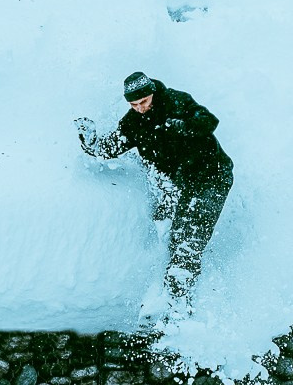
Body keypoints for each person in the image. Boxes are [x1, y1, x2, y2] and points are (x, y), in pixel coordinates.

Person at [78, 71, 234, 308]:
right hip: (183, 186)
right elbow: (111, 146)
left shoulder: (176, 102)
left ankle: (180, 304)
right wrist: (92, 144)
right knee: (175, 236)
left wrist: (185, 126)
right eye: (134, 104)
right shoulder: (133, 122)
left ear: (152, 93)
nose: (140, 108)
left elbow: (209, 121)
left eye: (144, 102)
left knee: (188, 241)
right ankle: (172, 293)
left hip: (211, 177)